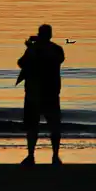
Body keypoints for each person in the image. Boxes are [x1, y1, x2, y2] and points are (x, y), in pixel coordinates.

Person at [17, 24, 65, 165]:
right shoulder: (51, 49)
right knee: (45, 125)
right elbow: (22, 63)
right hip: (43, 92)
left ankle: (39, 155)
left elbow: (23, 63)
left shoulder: (51, 50)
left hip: (41, 92)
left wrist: (33, 48)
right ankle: (45, 156)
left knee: (42, 125)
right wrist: (32, 48)